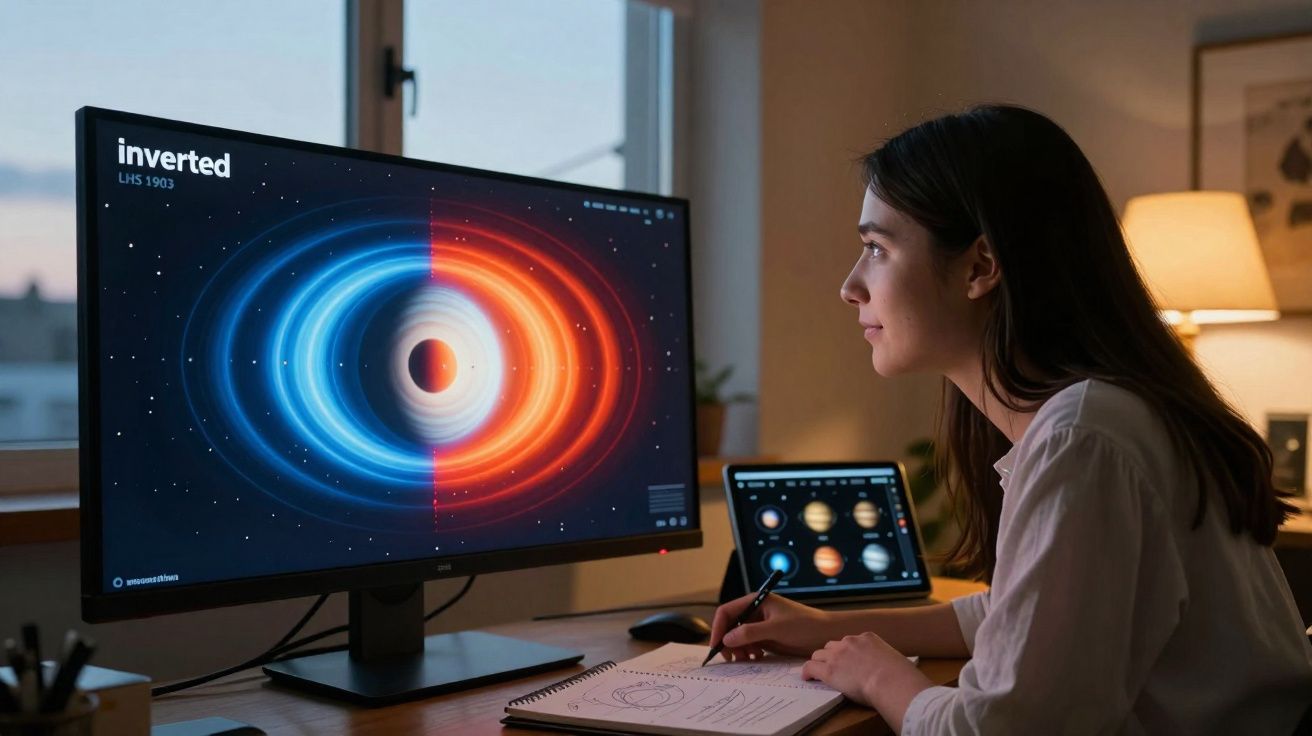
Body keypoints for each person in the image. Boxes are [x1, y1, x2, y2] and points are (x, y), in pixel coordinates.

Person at [708, 105, 1312, 734]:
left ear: (980, 267)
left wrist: (880, 674)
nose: (850, 286)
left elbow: (1001, 730)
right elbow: (1016, 616)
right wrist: (833, 629)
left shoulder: (1084, 436)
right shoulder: (1104, 416)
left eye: (875, 248)